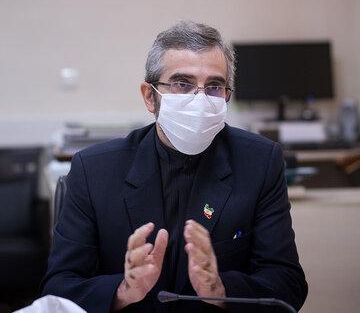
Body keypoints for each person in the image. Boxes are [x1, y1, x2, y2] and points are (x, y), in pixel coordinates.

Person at [41, 21, 308, 312]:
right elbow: (58, 288)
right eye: (182, 84)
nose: (200, 99)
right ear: (150, 97)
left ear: (226, 96)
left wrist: (219, 289)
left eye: (214, 87)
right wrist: (123, 291)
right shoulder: (94, 170)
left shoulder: (259, 162)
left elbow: (287, 285)